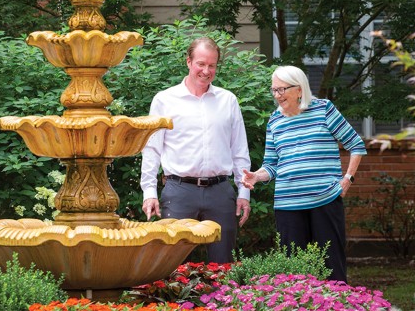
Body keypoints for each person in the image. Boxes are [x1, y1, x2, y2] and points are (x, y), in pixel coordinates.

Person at [241, 65, 366, 283]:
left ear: (299, 89)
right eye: (274, 90)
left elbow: (356, 145)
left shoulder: (323, 109)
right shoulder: (275, 121)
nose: (277, 95)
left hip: (324, 201)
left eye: (282, 89)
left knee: (332, 267)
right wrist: (256, 176)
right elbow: (271, 165)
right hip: (288, 206)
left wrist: (348, 179)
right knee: (293, 271)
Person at [140, 36, 251, 263]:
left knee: (224, 266)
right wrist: (149, 192)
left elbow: (239, 150)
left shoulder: (228, 100)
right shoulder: (165, 100)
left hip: (221, 192)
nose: (206, 70)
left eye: (212, 65)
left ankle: (223, 299)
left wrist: (244, 192)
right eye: (201, 63)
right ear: (188, 62)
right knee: (172, 266)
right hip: (179, 191)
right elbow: (151, 150)